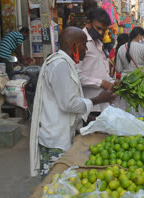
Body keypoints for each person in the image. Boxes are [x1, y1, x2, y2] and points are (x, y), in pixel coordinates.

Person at [29, 27, 116, 178]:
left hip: (59, 133)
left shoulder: (65, 63)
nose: (86, 49)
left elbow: (65, 100)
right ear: (73, 46)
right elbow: (68, 104)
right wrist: (99, 99)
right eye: (84, 45)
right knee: (55, 186)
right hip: (55, 139)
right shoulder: (60, 65)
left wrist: (87, 118)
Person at [77, 8, 115, 121]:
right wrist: (102, 83)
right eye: (98, 28)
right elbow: (75, 75)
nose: (100, 33)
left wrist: (111, 82)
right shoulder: (79, 41)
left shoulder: (98, 42)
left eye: (103, 30)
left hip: (102, 105)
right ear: (88, 23)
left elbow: (101, 69)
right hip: (89, 105)